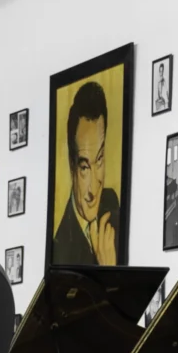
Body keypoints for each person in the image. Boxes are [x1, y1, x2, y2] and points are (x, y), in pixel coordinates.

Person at [51, 79, 120, 266]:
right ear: (72, 166)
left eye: (99, 160)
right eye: (84, 167)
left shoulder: (111, 202)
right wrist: (108, 269)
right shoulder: (60, 245)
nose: (93, 187)